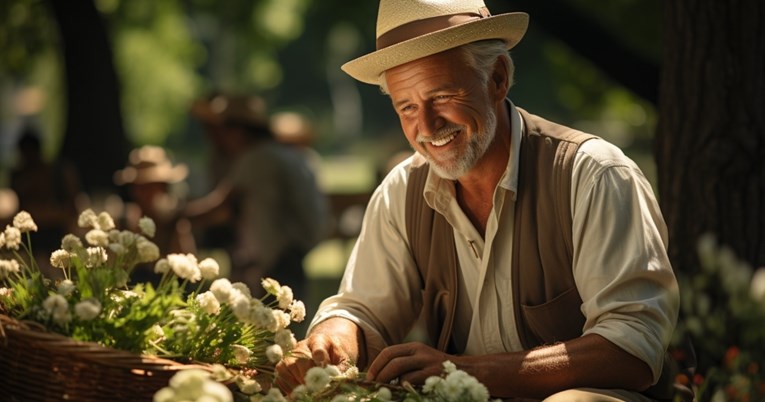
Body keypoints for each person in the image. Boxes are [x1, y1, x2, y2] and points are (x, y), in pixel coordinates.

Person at [275, 1, 683, 401]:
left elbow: (633, 349)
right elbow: (363, 309)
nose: (427, 126)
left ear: (498, 78)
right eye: (408, 107)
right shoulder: (402, 190)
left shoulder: (593, 174)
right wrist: (331, 339)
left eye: (442, 96)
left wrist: (465, 372)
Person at [185, 94, 329, 306]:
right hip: (292, 250)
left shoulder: (256, 158)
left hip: (277, 255)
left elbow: (219, 204)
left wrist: (180, 215)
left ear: (238, 130)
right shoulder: (284, 154)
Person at [114, 145, 196, 282]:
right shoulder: (123, 221)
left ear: (162, 187)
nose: (144, 193)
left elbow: (189, 269)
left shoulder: (175, 223)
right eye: (140, 186)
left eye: (151, 186)